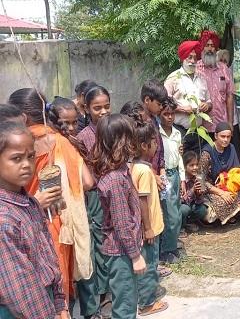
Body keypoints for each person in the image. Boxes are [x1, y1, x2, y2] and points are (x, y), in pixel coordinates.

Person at [8, 88, 94, 307]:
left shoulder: (16, 146)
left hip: (30, 225)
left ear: (22, 118)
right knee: (60, 289)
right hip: (62, 222)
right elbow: (87, 182)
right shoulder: (62, 141)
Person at [0, 121, 69, 319]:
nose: (27, 165)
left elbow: (48, 256)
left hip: (43, 301)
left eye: (31, 157)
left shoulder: (28, 203)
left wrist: (59, 303)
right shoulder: (5, 219)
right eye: (16, 159)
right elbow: (21, 288)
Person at [91, 114, 146, 319]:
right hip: (121, 252)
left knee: (127, 301)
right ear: (122, 142)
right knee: (124, 308)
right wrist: (135, 255)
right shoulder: (115, 179)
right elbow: (122, 225)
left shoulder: (121, 170)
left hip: (124, 250)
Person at [76, 85, 112, 319]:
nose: (103, 111)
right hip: (94, 197)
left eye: (106, 106)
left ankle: (108, 293)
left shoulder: (111, 130)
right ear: (87, 109)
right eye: (97, 108)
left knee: (110, 244)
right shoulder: (84, 137)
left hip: (113, 194)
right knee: (96, 245)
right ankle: (97, 298)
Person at [130, 120, 169, 316]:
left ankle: (143, 297)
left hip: (147, 227)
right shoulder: (145, 171)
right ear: (145, 146)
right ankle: (147, 303)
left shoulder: (134, 167)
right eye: (154, 143)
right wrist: (148, 228)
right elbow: (142, 200)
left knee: (147, 264)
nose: (156, 147)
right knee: (150, 265)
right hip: (150, 227)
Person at [196, 121, 240, 226]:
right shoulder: (207, 152)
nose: (225, 140)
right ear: (216, 135)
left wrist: (229, 188)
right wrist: (221, 192)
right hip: (210, 188)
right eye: (222, 136)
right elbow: (201, 180)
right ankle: (209, 217)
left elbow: (235, 171)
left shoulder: (231, 148)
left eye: (228, 137)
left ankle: (229, 214)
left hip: (226, 185)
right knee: (222, 203)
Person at [164, 40, 212, 154]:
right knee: (179, 162)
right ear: (183, 58)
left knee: (196, 164)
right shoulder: (173, 78)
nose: (192, 61)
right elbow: (164, 103)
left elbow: (209, 101)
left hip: (198, 132)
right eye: (189, 57)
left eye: (195, 58)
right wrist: (182, 109)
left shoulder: (202, 78)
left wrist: (207, 106)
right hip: (178, 130)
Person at [158, 97, 185, 263]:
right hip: (164, 174)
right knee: (170, 215)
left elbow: (180, 158)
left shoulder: (176, 133)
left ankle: (172, 245)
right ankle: (167, 250)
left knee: (177, 212)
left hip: (175, 173)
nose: (169, 117)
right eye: (166, 114)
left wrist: (182, 179)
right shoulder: (157, 133)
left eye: (172, 114)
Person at [195, 30, 234, 136]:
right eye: (207, 45)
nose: (210, 49)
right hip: (201, 126)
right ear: (202, 47)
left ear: (216, 48)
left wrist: (230, 122)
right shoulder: (196, 69)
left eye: (212, 45)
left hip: (221, 125)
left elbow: (229, 96)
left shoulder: (224, 69)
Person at [217, 48, 240, 157]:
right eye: (221, 60)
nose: (223, 63)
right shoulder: (214, 76)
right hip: (218, 118)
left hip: (234, 120)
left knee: (235, 147)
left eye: (225, 61)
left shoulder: (233, 72)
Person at [140, 79, 168, 181]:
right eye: (159, 104)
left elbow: (159, 146)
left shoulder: (154, 119)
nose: (161, 108)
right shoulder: (139, 122)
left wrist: (162, 169)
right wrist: (153, 176)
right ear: (147, 100)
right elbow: (138, 156)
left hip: (156, 174)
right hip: (145, 175)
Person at [180, 151, 207, 232]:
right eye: (191, 165)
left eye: (196, 165)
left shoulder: (198, 178)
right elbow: (182, 200)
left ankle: (190, 223)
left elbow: (200, 201)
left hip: (192, 205)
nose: (195, 167)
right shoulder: (181, 181)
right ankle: (181, 226)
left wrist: (199, 193)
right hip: (182, 206)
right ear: (184, 167)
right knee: (184, 209)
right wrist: (193, 190)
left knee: (202, 210)